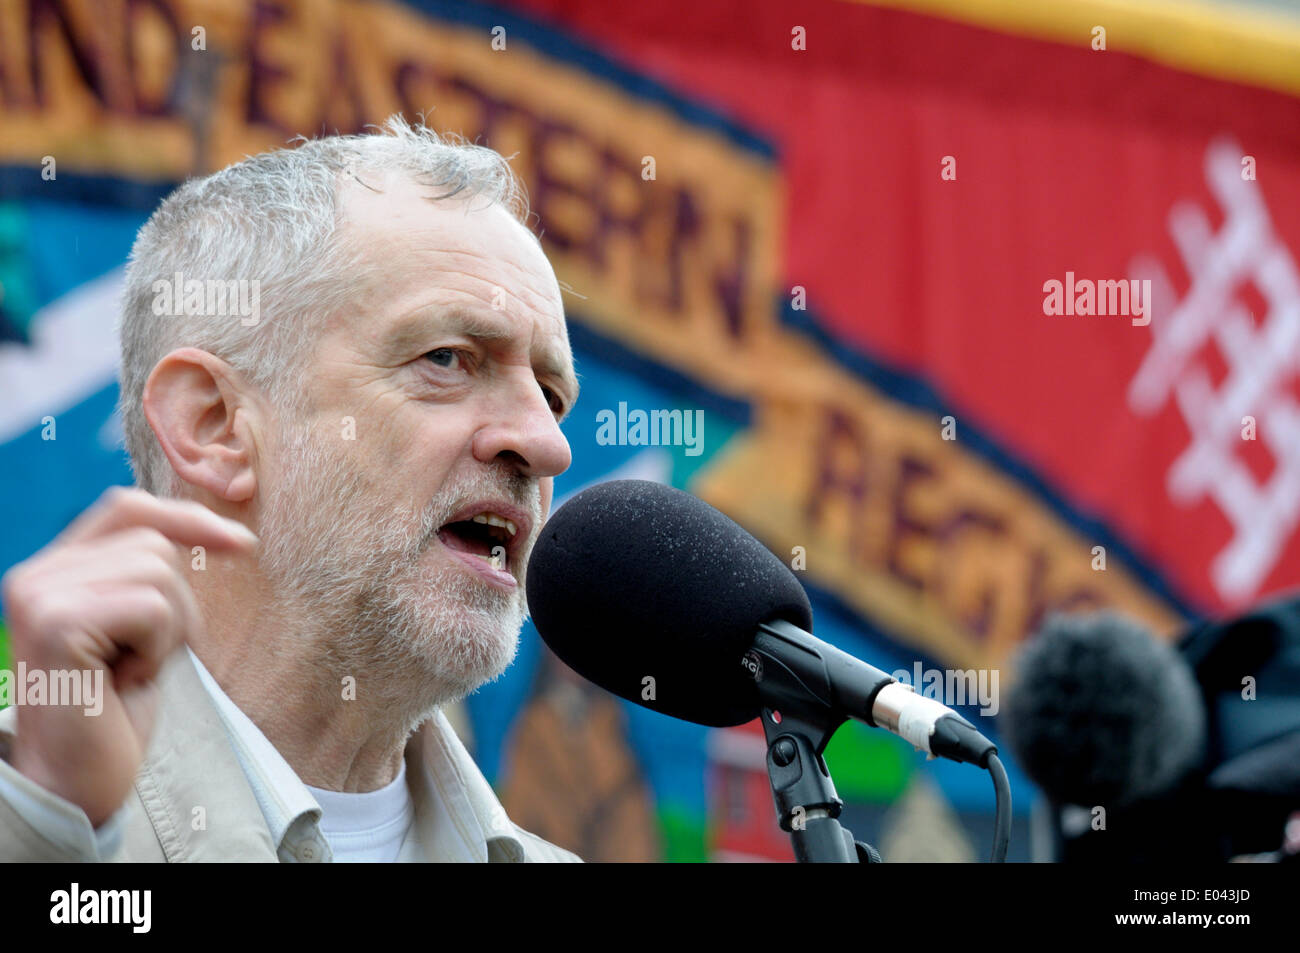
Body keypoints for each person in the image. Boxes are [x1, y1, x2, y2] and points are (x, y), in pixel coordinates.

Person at [0, 116, 583, 862]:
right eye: (447, 357)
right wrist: (49, 827)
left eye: (552, 394)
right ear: (213, 424)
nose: (546, 443)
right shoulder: (45, 824)